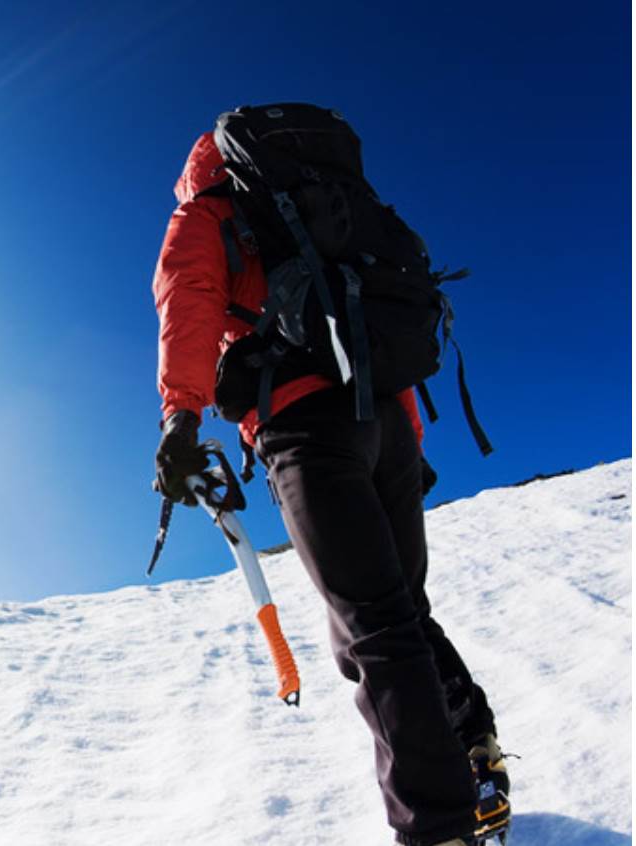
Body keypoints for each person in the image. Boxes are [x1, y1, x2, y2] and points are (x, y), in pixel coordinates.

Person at [150, 128, 509, 846]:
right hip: (388, 422)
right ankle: (475, 750)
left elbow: (189, 299)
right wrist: (407, 443)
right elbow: (368, 331)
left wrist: (181, 418)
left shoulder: (210, 213)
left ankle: (438, 829)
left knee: (372, 626)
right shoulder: (329, 207)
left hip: (302, 425)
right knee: (401, 611)